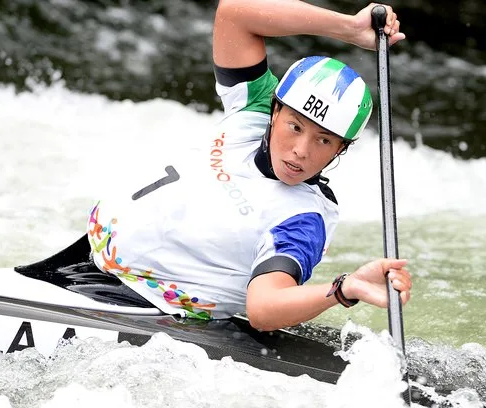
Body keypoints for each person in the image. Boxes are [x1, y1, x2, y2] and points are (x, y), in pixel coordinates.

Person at [86, 0, 411, 331]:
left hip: (146, 307)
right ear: (275, 112)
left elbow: (264, 308)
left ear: (341, 149)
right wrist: (348, 28)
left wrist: (343, 289)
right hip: (88, 258)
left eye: (324, 141)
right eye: (295, 127)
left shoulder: (302, 219)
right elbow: (235, 12)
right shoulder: (254, 104)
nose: (301, 151)